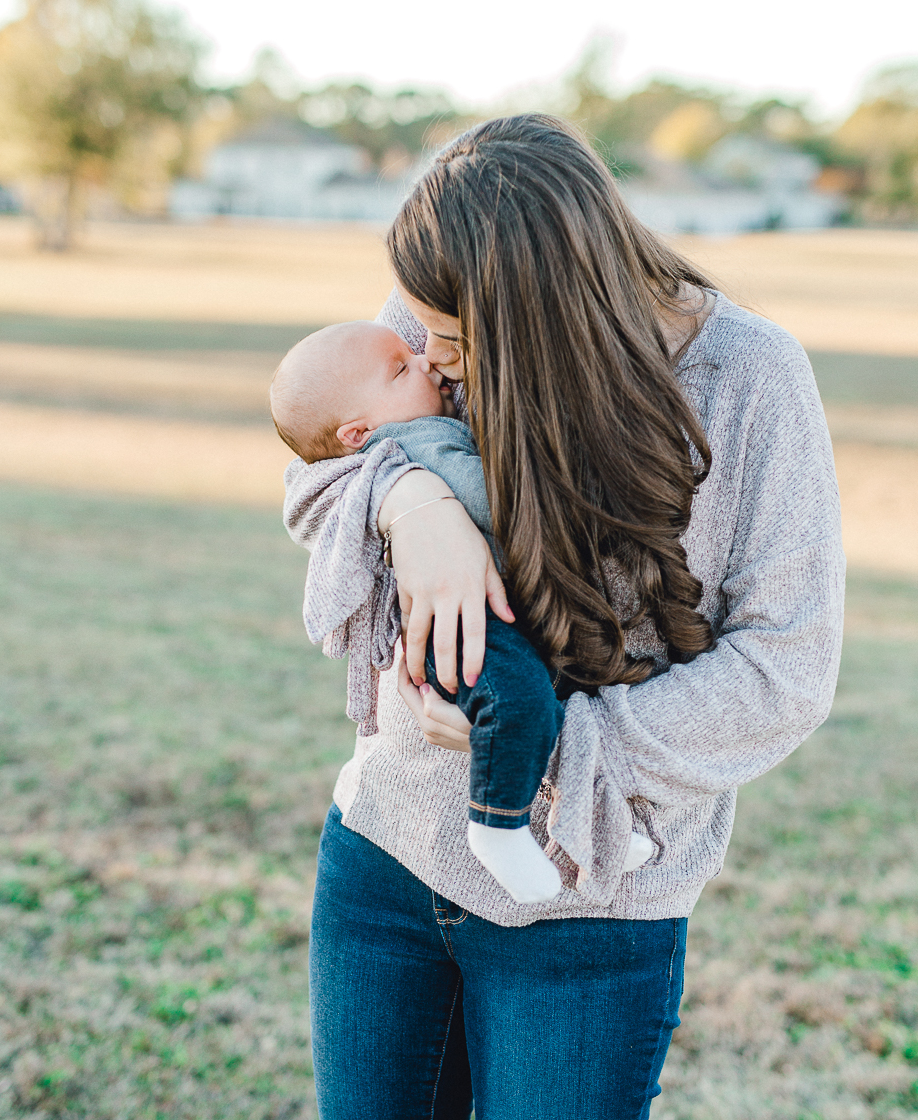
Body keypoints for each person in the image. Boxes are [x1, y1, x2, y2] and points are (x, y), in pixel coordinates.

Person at [284, 114, 845, 1120]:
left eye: (451, 343)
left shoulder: (747, 379)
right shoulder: (442, 302)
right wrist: (417, 501)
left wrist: (546, 754)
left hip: (593, 904)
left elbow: (785, 671)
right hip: (382, 864)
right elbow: (321, 455)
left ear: (543, 307)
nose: (425, 355)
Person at [269, 318, 654, 902]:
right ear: (356, 433)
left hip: (494, 621)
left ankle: (592, 829)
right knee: (521, 708)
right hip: (470, 630)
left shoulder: (404, 426)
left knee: (558, 709)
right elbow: (490, 501)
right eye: (402, 368)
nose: (427, 359)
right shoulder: (420, 441)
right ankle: (496, 828)